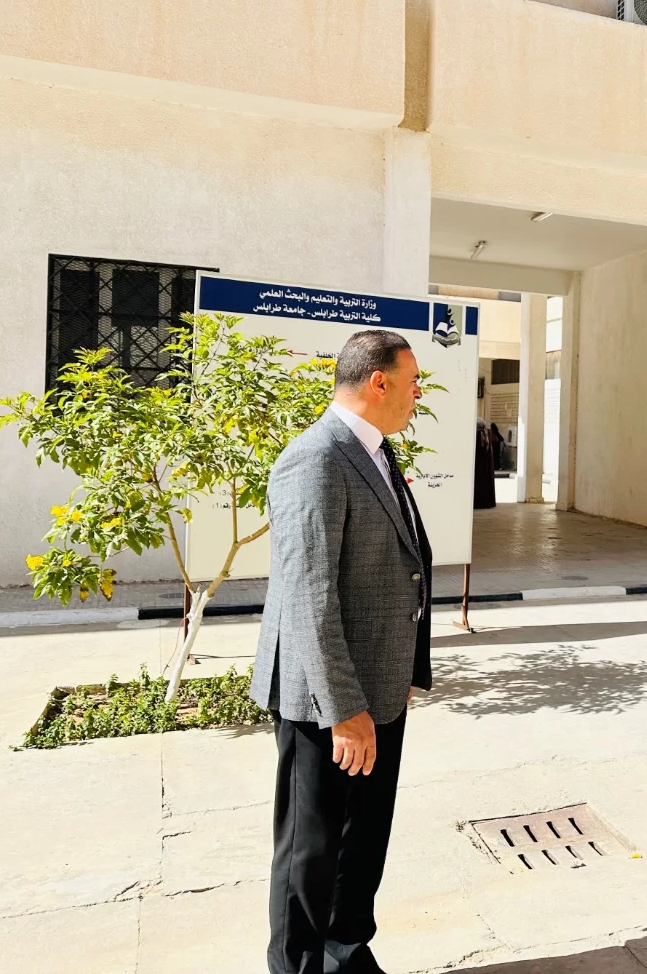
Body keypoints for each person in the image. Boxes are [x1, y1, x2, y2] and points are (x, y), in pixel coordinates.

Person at [251, 329, 434, 974]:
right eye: (413, 381)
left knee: (363, 840)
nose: (418, 394)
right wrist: (344, 709)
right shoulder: (316, 459)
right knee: (312, 849)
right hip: (326, 698)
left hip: (377, 686)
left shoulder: (375, 451)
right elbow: (308, 595)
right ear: (379, 382)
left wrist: (402, 668)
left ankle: (346, 954)